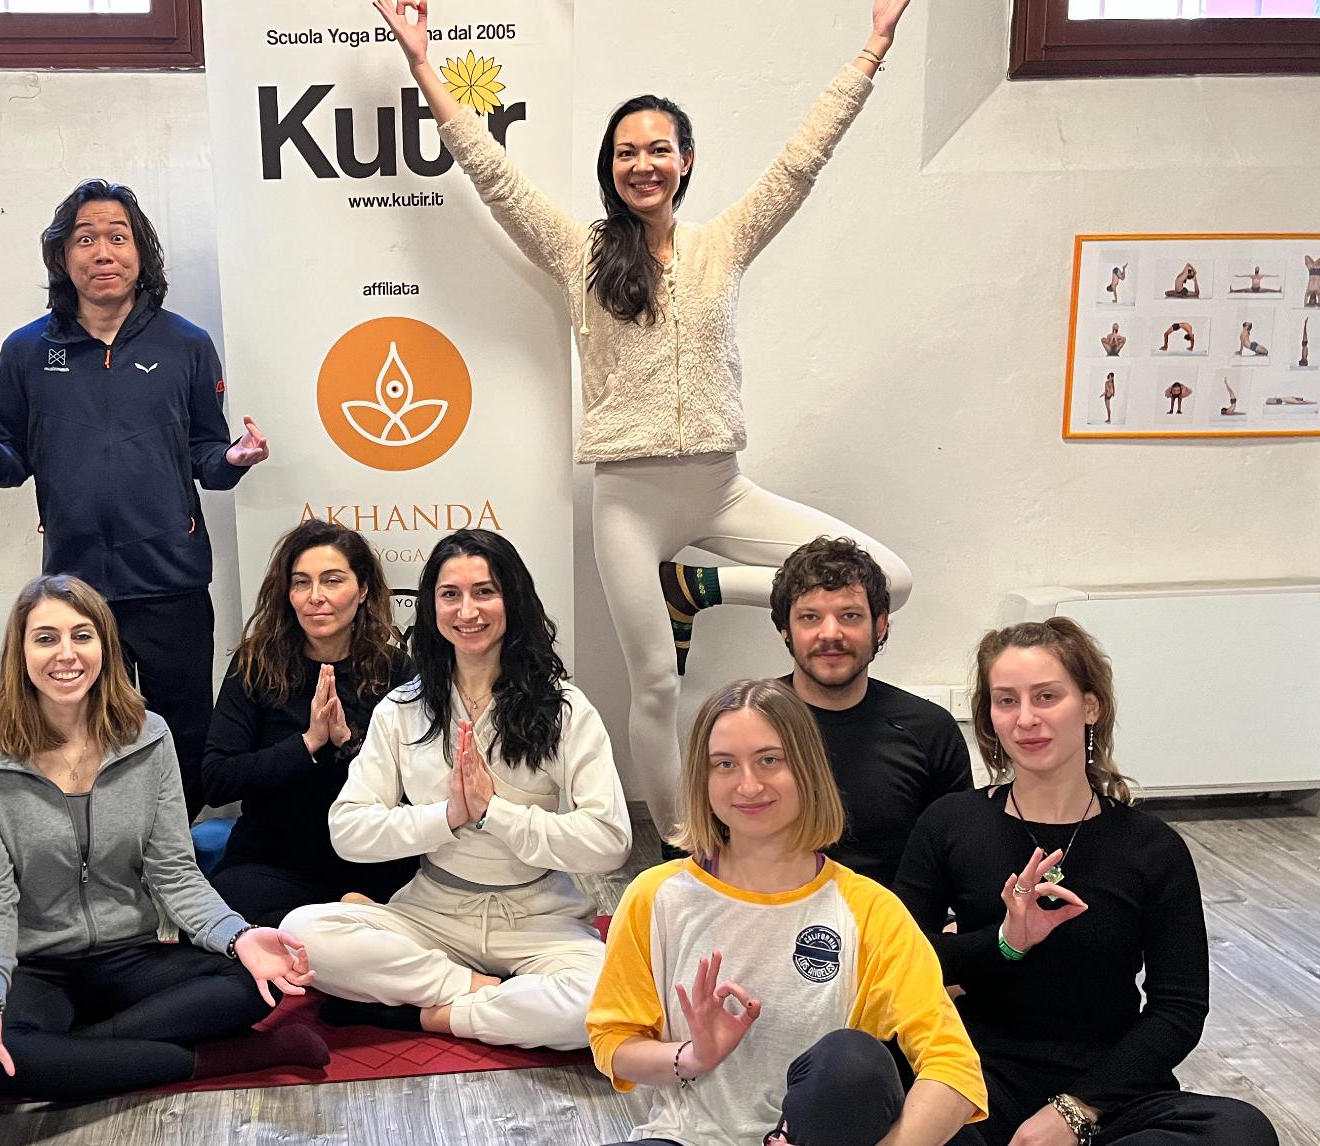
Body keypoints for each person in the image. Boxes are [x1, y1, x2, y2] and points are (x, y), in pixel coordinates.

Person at [372, 0, 915, 842]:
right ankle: (678, 840)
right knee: (656, 683)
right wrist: (422, 65)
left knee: (887, 580)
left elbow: (801, 161)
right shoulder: (582, 253)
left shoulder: (724, 243)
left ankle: (699, 589)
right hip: (630, 500)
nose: (642, 164)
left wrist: (872, 50)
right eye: (626, 152)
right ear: (611, 167)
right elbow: (492, 174)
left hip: (721, 488)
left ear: (685, 160)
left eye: (658, 149)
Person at [0, 179, 269, 821]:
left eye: (118, 237)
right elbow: (11, 453)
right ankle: (85, 850)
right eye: (85, 239)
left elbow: (207, 453)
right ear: (63, 258)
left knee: (182, 734)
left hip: (171, 578)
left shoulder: (187, 345)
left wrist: (233, 459)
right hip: (74, 587)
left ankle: (171, 852)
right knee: (78, 730)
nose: (103, 252)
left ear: (141, 253)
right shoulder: (27, 350)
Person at [0, 575, 326, 1105]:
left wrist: (238, 936)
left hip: (134, 956)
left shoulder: (148, 736)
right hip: (37, 967)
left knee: (256, 985)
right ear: (20, 652)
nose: (66, 654)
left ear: (105, 646)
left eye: (82, 635)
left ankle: (68, 1057)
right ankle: (231, 1057)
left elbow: (175, 871)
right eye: (46, 638)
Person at [894, 619, 1280, 1146]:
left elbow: (1179, 1008)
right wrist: (1006, 943)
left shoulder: (1151, 847)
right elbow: (903, 964)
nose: (1026, 719)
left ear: (1090, 706)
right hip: (979, 1080)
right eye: (1006, 701)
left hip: (1108, 1090)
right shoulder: (950, 823)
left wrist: (1075, 1110)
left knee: (1239, 1131)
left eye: (1046, 696)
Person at [589, 678, 985, 1146]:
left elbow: (954, 1067)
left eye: (769, 760)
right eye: (725, 764)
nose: (748, 785)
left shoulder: (868, 910)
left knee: (852, 1059)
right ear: (702, 778)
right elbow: (613, 1041)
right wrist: (693, 1057)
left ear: (807, 769)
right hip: (687, 1137)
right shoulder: (656, 896)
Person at [282, 529, 631, 1051]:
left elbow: (610, 842)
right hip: (433, 914)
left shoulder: (565, 708)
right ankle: (478, 992)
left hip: (540, 919)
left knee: (604, 1006)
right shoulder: (402, 709)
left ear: (512, 600)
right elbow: (348, 832)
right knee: (301, 931)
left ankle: (427, 1015)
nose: (467, 611)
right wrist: (447, 816)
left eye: (484, 592)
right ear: (432, 607)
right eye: (450, 595)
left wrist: (494, 813)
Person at [203, 519, 419, 925]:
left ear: (363, 589)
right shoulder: (255, 664)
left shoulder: (395, 670)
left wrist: (349, 743)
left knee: (419, 901)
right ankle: (336, 928)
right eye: (301, 583)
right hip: (274, 862)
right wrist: (308, 743)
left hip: (370, 863)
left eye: (332, 581)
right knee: (225, 908)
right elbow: (218, 780)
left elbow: (416, 789)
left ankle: (336, 928)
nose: (315, 597)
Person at [770, 537, 970, 888]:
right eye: (810, 617)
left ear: (880, 626)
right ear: (786, 629)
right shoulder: (746, 723)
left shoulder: (929, 731)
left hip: (896, 921)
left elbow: (956, 861)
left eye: (849, 616)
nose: (830, 634)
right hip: (770, 917)